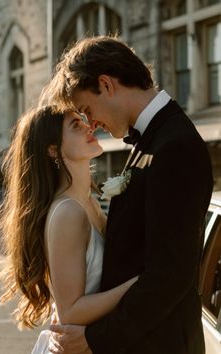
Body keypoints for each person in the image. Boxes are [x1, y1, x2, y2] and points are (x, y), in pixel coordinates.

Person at [41, 35, 214, 354]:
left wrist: (95, 340)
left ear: (106, 85)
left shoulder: (175, 147)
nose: (91, 123)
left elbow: (169, 276)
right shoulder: (153, 140)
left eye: (86, 109)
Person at [0, 105, 138, 353]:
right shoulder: (67, 212)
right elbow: (70, 310)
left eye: (83, 120)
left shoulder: (88, 202)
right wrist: (140, 284)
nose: (88, 125)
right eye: (75, 125)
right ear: (53, 150)